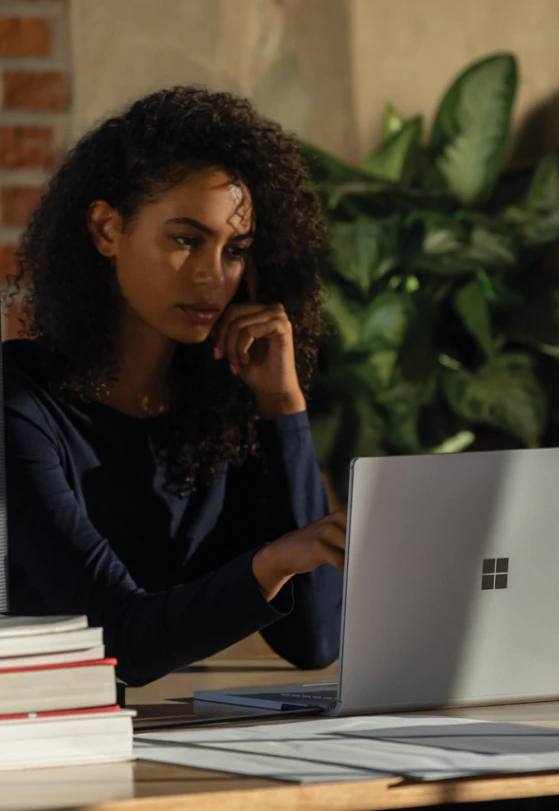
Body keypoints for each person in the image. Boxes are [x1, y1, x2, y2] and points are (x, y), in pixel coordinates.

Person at [1, 86, 348, 687]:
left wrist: (284, 406)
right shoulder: (20, 401)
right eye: (186, 240)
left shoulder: (223, 411)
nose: (215, 276)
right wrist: (269, 564)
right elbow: (118, 642)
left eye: (234, 249)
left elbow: (313, 641)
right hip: (45, 743)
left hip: (179, 733)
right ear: (108, 229)